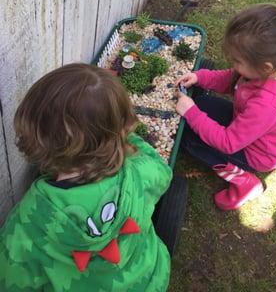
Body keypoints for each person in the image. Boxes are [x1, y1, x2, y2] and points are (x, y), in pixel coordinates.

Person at [0, 63, 172, 291]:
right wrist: (128, 142)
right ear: (120, 129)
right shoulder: (138, 172)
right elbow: (163, 173)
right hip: (150, 279)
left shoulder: (28, 223)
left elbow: (11, 281)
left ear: (38, 139)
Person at [175, 3, 276, 211]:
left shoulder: (267, 106)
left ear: (266, 67)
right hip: (248, 126)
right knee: (202, 105)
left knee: (188, 140)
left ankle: (246, 183)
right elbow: (231, 79)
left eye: (237, 61)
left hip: (258, 154)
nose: (233, 65)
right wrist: (200, 77)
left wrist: (192, 113)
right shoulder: (270, 68)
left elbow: (228, 143)